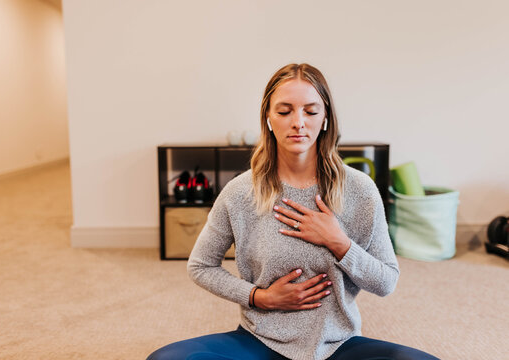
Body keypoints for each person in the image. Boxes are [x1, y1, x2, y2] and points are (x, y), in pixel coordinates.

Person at [147, 64, 439, 360]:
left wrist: (338, 242)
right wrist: (259, 297)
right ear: (268, 118)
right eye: (285, 111)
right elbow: (200, 266)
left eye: (310, 112)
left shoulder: (359, 190)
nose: (298, 122)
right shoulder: (240, 192)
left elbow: (386, 281)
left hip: (338, 345)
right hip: (260, 342)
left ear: (325, 118)